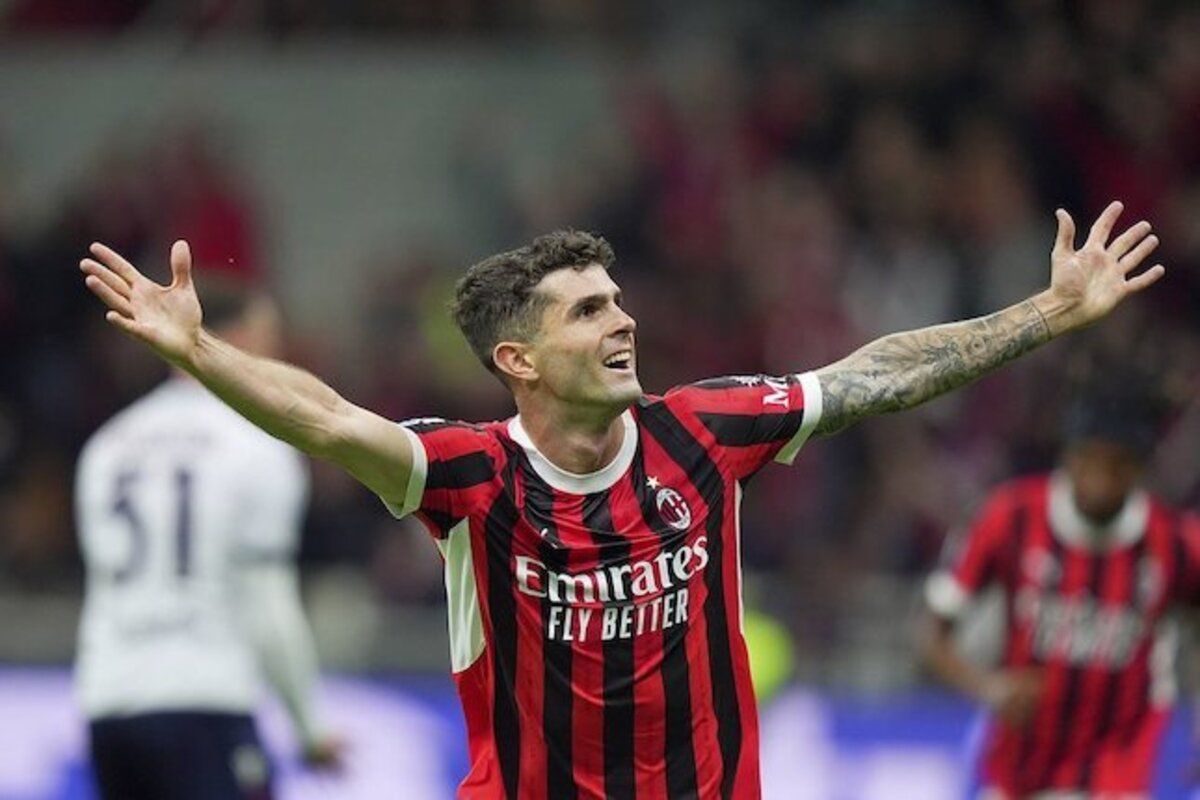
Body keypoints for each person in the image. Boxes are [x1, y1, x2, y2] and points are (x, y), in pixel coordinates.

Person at [78, 200, 1161, 798]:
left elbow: (876, 375)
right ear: (519, 358)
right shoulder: (470, 475)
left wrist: (1049, 312)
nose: (622, 320)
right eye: (588, 311)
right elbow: (323, 417)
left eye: (618, 299)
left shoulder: (708, 430)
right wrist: (202, 351)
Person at [74, 282, 341, 799]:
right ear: (235, 338)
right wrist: (309, 726)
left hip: (108, 700)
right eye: (268, 337)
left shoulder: (108, 444)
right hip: (207, 696)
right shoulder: (257, 443)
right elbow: (267, 602)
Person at [921, 390, 1200, 799]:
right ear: (1068, 458)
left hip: (1117, 764)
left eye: (1116, 465)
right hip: (1019, 765)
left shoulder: (1172, 541)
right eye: (1089, 460)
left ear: (1137, 469)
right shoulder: (1010, 517)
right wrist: (989, 687)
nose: (1101, 481)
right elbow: (933, 634)